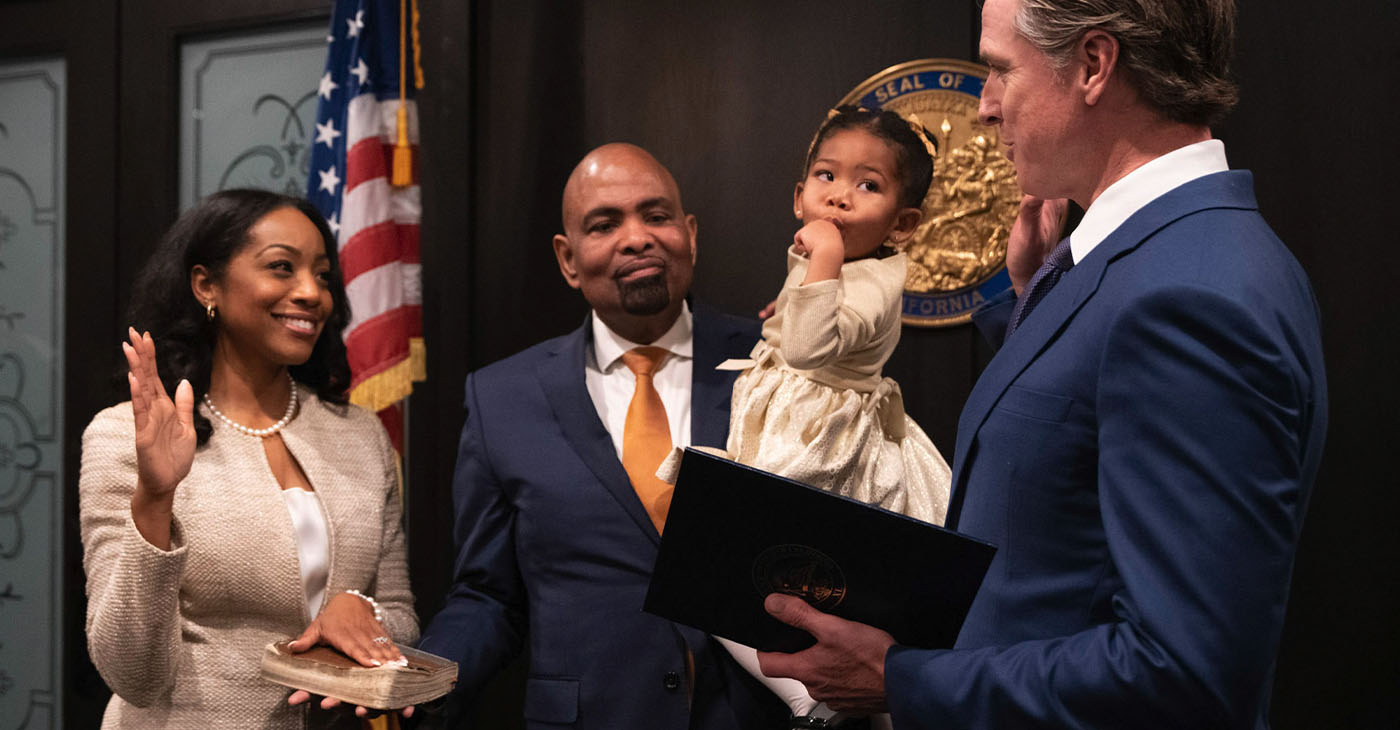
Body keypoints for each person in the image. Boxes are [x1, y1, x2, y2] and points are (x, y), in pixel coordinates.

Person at [754, 0, 1328, 728]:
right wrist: (1030, 302)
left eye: (998, 71)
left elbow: (1184, 675)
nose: (985, 107)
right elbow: (1081, 446)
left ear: (1093, 65)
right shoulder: (1167, 256)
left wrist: (902, 680)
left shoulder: (1189, 294)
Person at [415, 144, 788, 729]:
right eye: (604, 224)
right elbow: (488, 597)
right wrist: (423, 678)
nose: (636, 238)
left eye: (656, 215)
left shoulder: (777, 362)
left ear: (689, 234)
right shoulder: (501, 399)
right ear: (568, 259)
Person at [79, 189, 417, 728]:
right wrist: (155, 499)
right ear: (205, 285)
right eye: (281, 268)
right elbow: (132, 673)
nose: (311, 292)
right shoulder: (124, 437)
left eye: (323, 275)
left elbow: (399, 613)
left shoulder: (361, 436)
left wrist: (362, 609)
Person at [697, 106, 952, 727]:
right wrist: (793, 304)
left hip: (824, 434)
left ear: (904, 223)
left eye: (868, 186)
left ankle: (807, 689)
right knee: (728, 557)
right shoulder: (836, 264)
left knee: (730, 542)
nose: (840, 196)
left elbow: (814, 347)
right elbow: (805, 325)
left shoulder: (873, 277)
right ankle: (801, 675)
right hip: (793, 409)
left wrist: (824, 263)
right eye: (826, 176)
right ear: (798, 195)